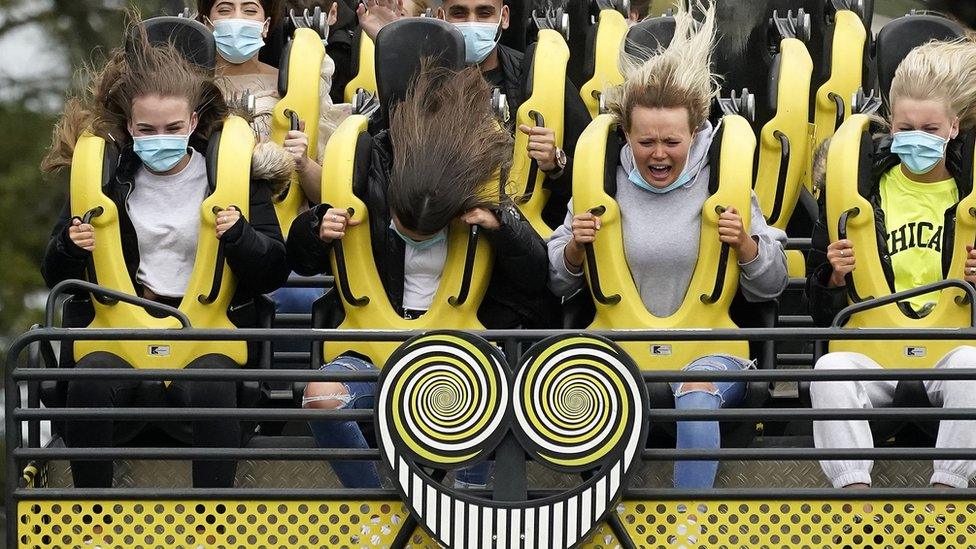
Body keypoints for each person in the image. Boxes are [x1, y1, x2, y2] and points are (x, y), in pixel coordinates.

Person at [546, 2, 788, 490]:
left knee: (697, 395)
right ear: (628, 136)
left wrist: (745, 245)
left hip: (707, 348)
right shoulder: (601, 181)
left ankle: (686, 528)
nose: (659, 153)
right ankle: (600, 521)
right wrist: (574, 249)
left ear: (694, 133)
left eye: (672, 143)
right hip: (615, 343)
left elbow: (773, 284)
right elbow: (556, 279)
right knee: (578, 392)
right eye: (646, 142)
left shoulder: (726, 179)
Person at [40, 36, 291, 488]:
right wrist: (70, 247)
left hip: (208, 329)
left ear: (193, 122)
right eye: (148, 130)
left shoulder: (231, 177)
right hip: (124, 326)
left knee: (214, 386)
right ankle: (91, 518)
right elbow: (54, 274)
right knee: (89, 384)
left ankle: (211, 522)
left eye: (173, 128)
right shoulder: (104, 180)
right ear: (130, 127)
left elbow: (273, 270)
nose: (161, 140)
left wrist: (239, 236)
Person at [287, 64, 553, 488]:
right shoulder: (369, 167)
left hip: (464, 352)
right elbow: (300, 262)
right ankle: (376, 504)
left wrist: (504, 226)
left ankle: (470, 507)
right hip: (373, 343)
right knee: (322, 398)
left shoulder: (485, 185)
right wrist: (316, 229)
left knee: (489, 396)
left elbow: (538, 279)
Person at [807, 38, 976, 490]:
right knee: (830, 372)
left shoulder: (971, 193)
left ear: (954, 127)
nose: (917, 137)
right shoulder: (854, 190)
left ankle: (944, 499)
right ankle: (857, 504)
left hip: (951, 348)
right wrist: (833, 275)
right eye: (906, 127)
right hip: (875, 349)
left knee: (973, 370)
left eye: (931, 128)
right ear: (890, 124)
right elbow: (822, 312)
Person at [357, 0, 592, 229]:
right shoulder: (422, 80)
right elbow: (385, 161)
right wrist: (395, 50)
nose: (472, 23)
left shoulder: (537, 76)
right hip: (443, 231)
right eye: (459, 13)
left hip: (518, 233)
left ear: (504, 17)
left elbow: (592, 174)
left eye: (484, 13)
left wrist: (555, 163)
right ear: (441, 17)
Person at [198, 0, 352, 205]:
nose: (237, 19)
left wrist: (304, 163)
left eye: (250, 11)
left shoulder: (297, 87)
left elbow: (328, 197)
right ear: (207, 23)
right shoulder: (190, 89)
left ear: (266, 26)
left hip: (279, 222)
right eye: (225, 10)